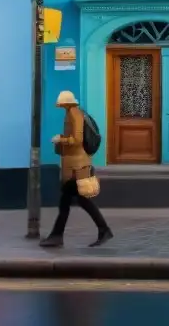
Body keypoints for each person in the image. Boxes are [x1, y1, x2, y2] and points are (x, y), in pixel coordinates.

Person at [40, 90, 113, 248]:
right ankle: (58, 235)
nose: (60, 106)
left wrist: (61, 139)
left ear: (66, 103)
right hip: (75, 165)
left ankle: (102, 230)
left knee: (76, 201)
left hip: (76, 166)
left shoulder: (74, 115)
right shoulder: (73, 113)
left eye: (62, 103)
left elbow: (77, 139)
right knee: (68, 202)